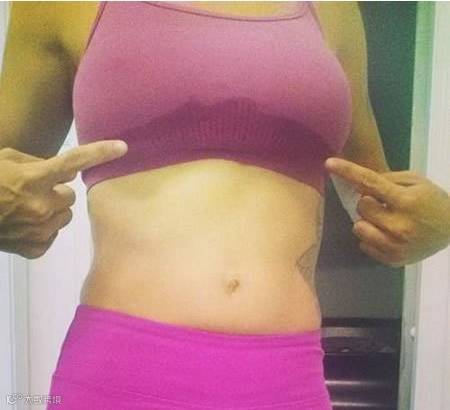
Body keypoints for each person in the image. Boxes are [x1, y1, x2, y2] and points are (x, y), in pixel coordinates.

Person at [1, 2, 449, 409]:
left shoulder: (334, 9)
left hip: (285, 381)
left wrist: (440, 221)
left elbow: (374, 193)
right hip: (122, 375)